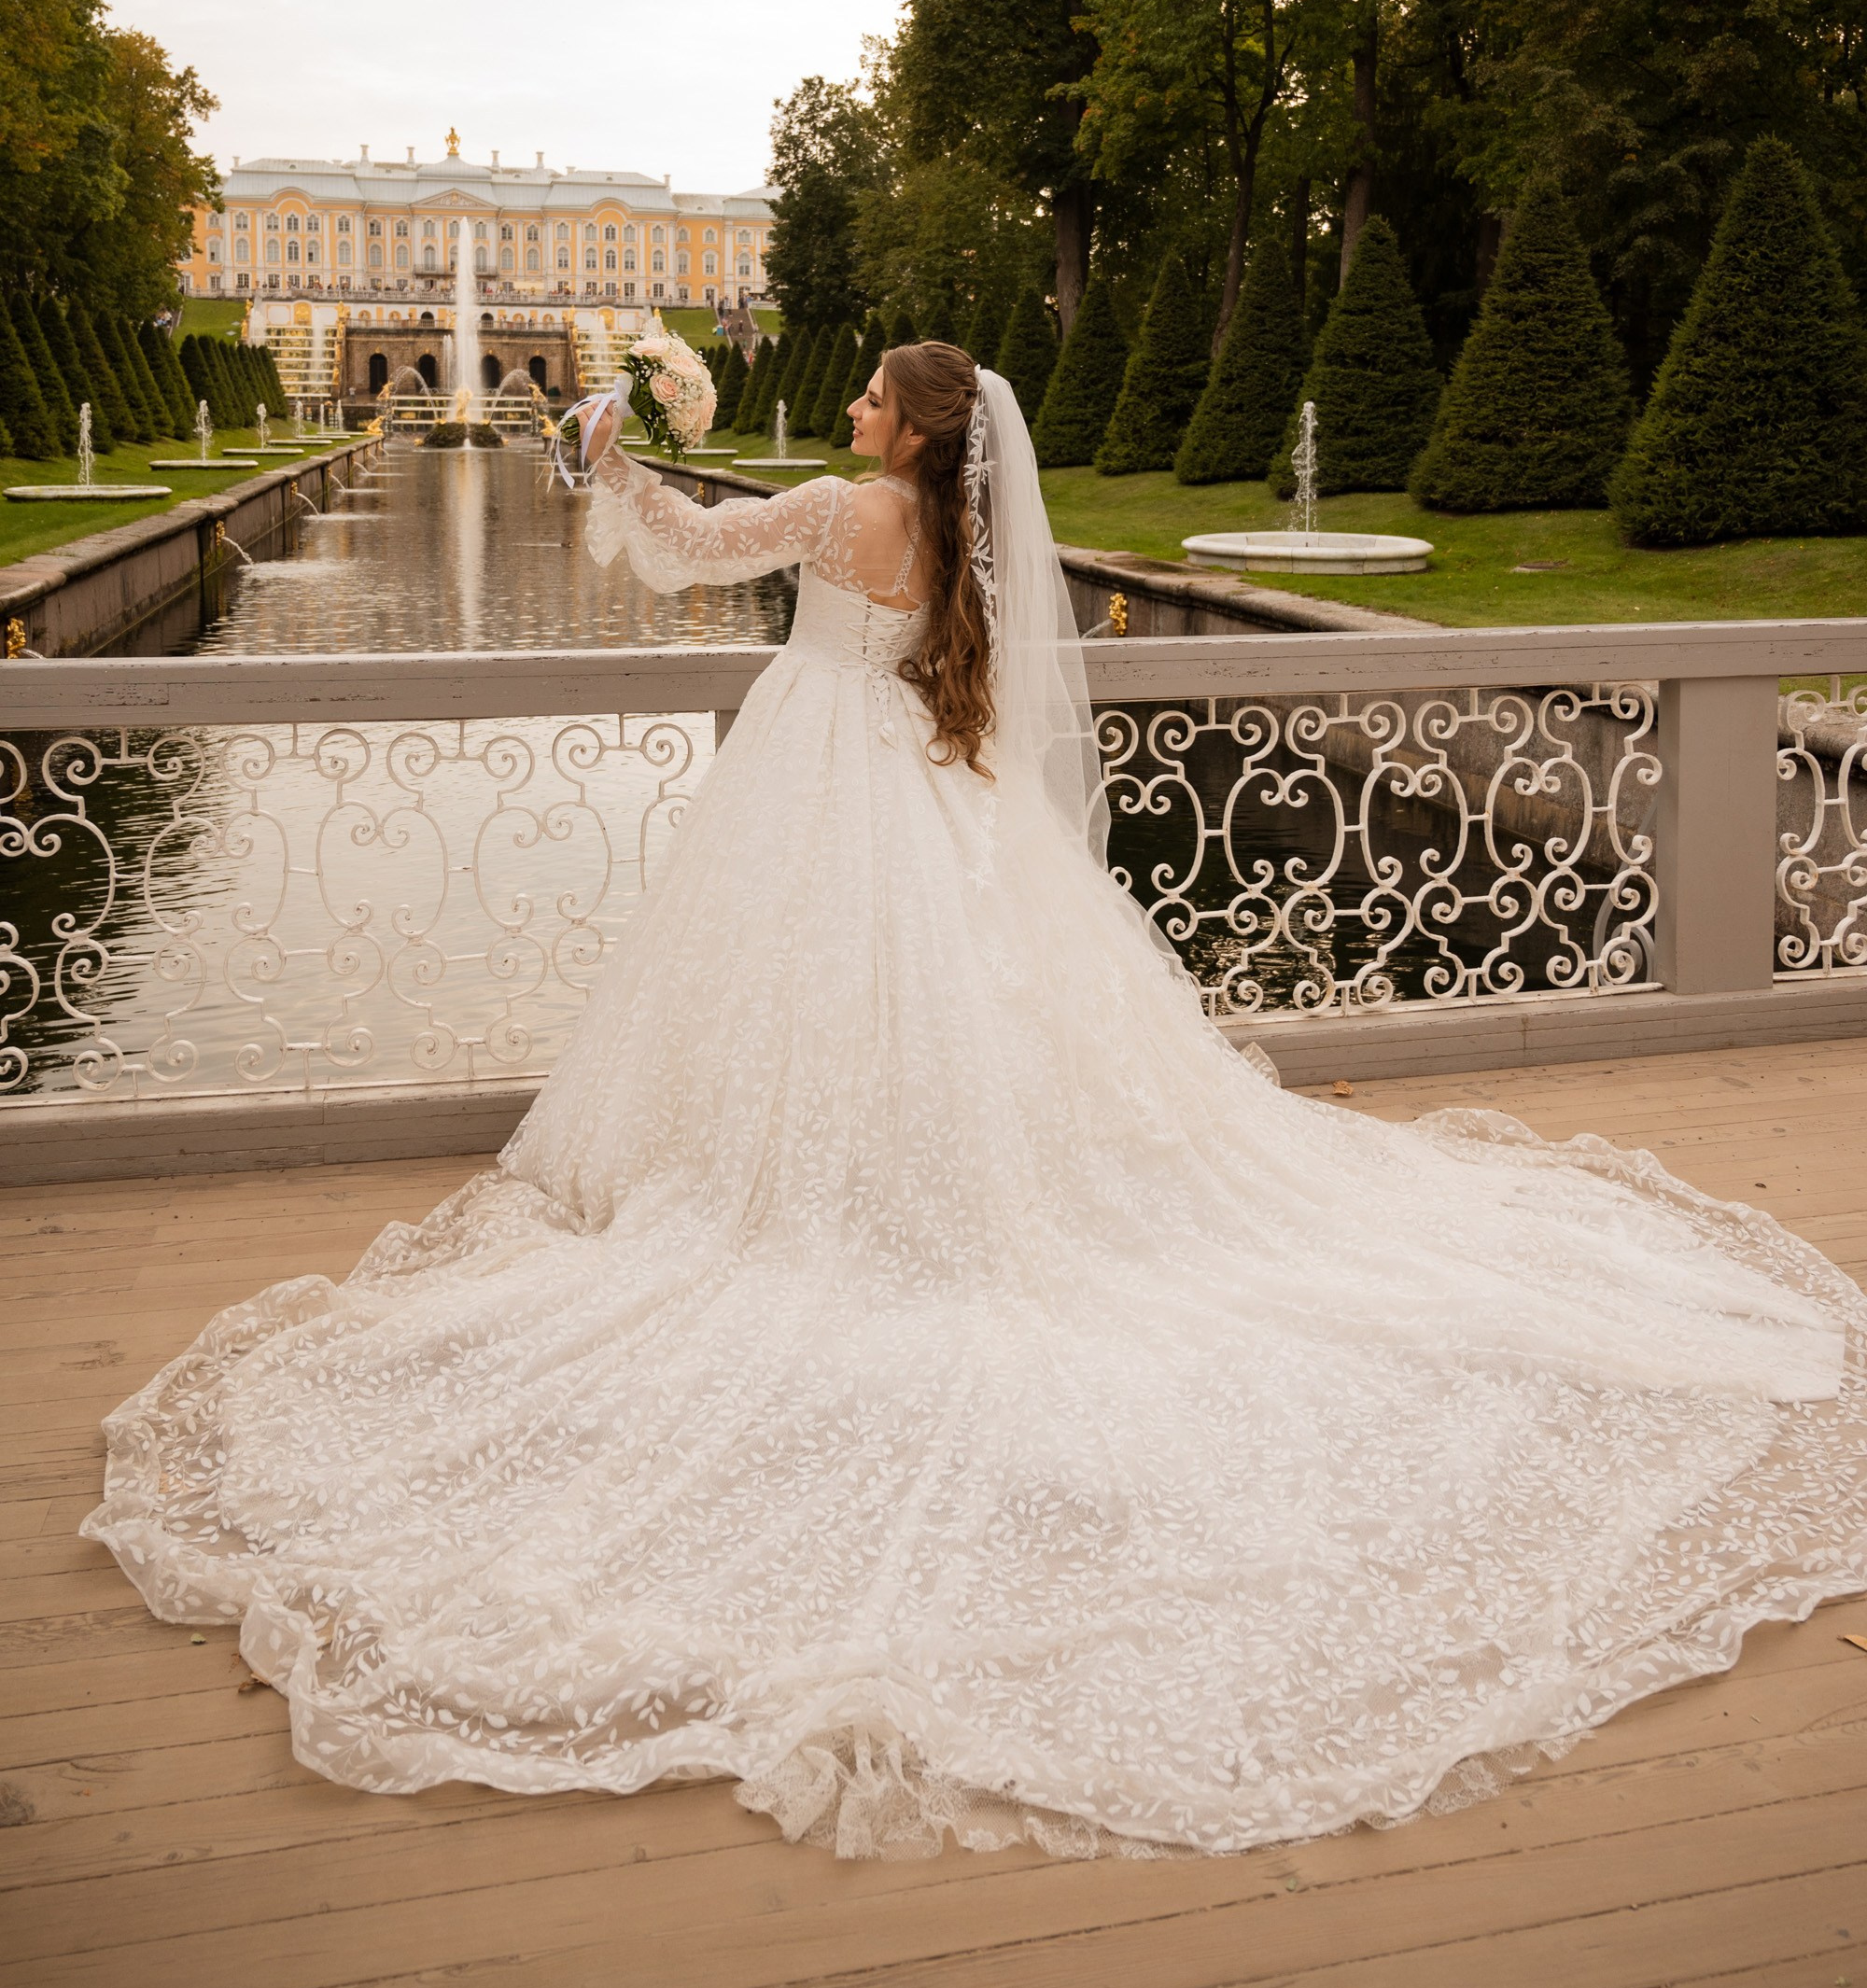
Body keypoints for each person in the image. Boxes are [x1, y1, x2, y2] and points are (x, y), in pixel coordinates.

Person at [85, 343, 1866, 1862]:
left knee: (801, 1008)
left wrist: (612, 455)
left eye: (872, 393)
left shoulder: (845, 514)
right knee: (946, 1018)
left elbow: (694, 555)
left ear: (924, 432)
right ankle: (906, 1185)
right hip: (915, 791)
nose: (852, 403)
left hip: (816, 781)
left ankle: (804, 1201)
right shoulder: (951, 539)